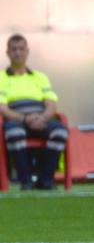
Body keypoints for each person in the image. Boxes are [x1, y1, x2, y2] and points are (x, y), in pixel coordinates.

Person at [0, 34, 67, 191]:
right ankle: (26, 181)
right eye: (14, 49)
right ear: (7, 53)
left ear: (27, 52)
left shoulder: (40, 77)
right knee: (14, 132)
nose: (18, 53)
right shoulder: (1, 78)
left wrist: (42, 118)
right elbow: (2, 107)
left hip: (40, 116)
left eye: (21, 49)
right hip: (16, 118)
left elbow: (51, 104)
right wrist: (25, 119)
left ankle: (46, 179)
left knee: (60, 131)